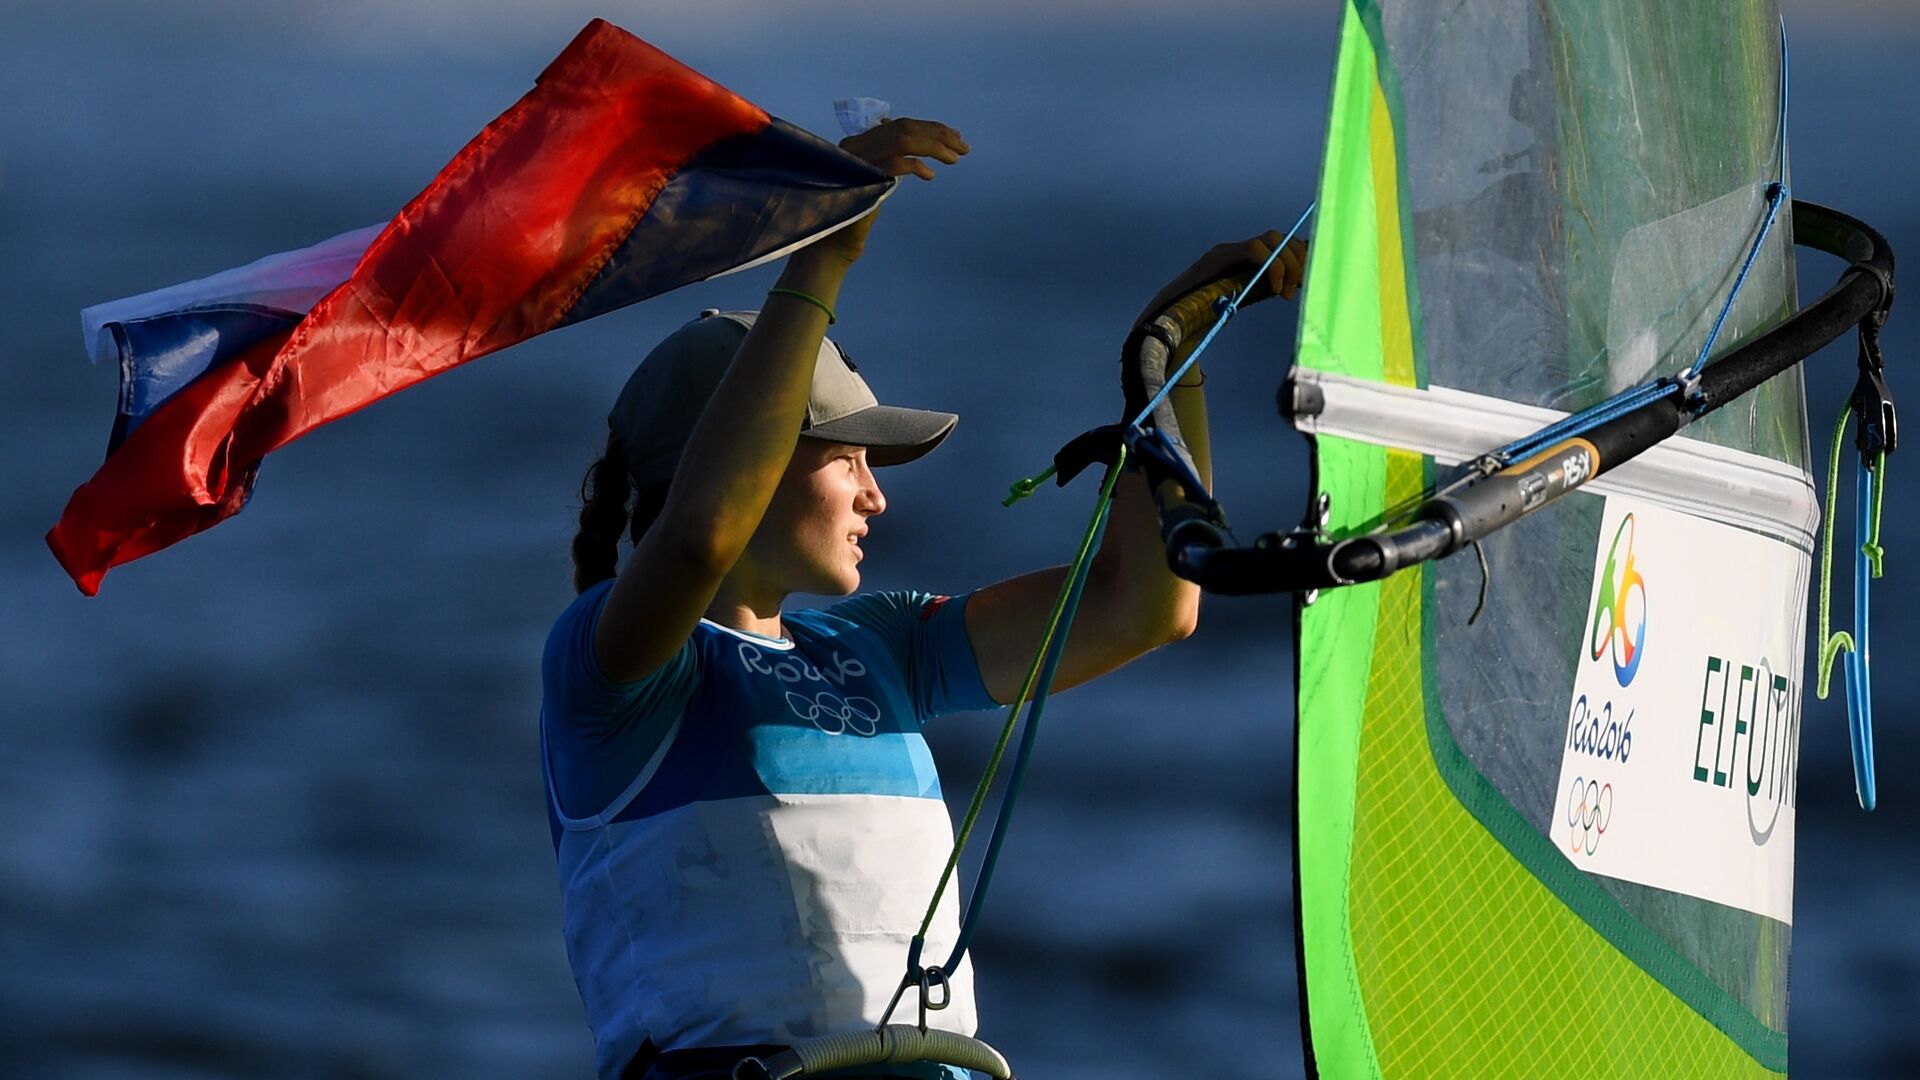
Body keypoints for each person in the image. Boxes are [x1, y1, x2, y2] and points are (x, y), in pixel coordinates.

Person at [539, 117, 1306, 1080]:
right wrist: (823, 256)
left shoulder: (883, 645)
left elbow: (1147, 606)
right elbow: (698, 537)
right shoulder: (611, 672)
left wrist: (1171, 354)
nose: (876, 495)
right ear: (751, 461)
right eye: (847, 459)